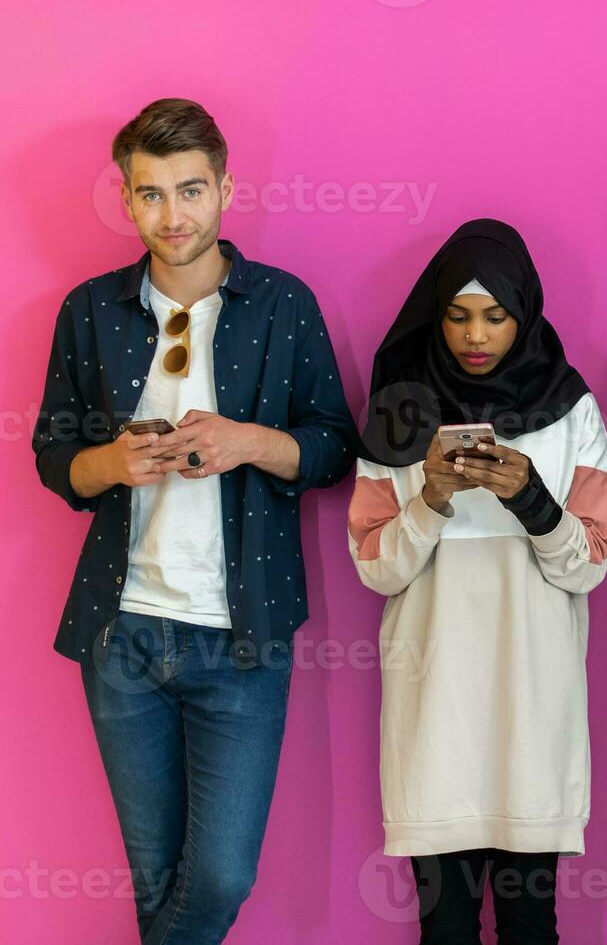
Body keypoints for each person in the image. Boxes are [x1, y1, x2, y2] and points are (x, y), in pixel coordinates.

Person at [32, 97, 356, 943]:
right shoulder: (90, 309)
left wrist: (249, 441)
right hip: (122, 630)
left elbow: (333, 449)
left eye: (190, 190)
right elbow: (52, 455)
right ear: (127, 198)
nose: (172, 216)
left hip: (241, 633)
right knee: (155, 879)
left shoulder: (283, 303)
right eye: (149, 194)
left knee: (218, 876)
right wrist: (113, 463)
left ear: (225, 189)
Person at [350, 219, 607, 944]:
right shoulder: (399, 415)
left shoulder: (570, 408)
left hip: (533, 711)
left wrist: (532, 499)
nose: (476, 335)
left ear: (523, 314)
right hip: (433, 717)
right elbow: (376, 567)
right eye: (458, 316)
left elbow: (589, 564)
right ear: (435, 318)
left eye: (496, 317)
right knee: (446, 930)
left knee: (533, 926)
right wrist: (430, 499)